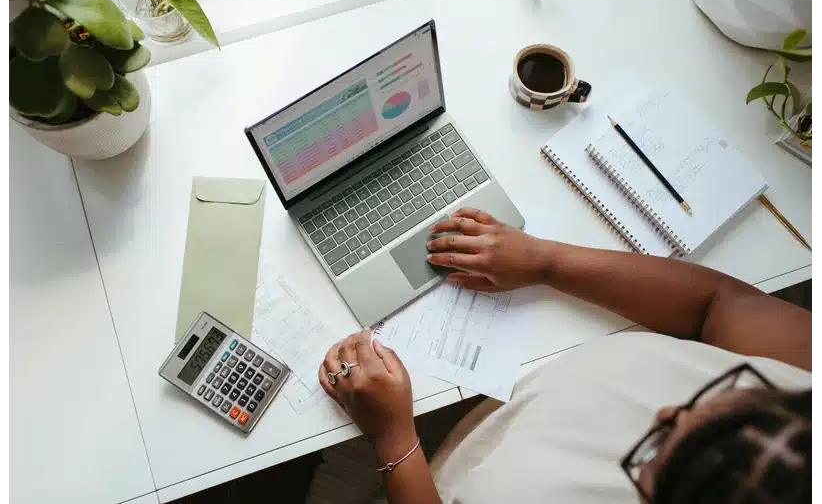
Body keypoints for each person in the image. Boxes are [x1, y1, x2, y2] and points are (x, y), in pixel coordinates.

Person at [318, 208, 815, 504]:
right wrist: (546, 262)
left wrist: (394, 440)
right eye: (729, 390)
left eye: (658, 450)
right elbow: (719, 304)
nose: (665, 412)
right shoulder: (801, 399)